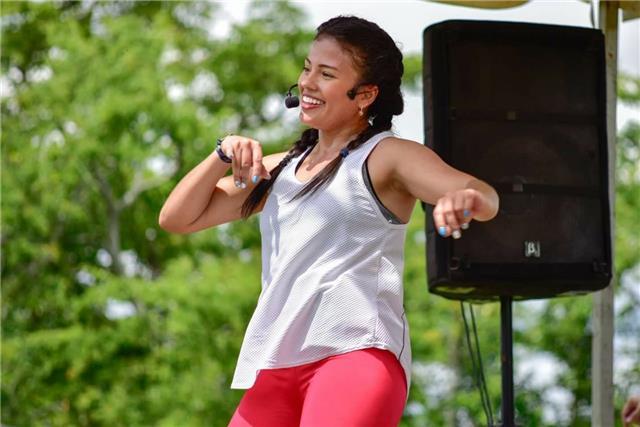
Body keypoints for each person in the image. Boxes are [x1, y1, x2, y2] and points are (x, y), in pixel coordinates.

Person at [159, 15, 499, 427]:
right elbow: (177, 218)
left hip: (355, 356)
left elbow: (484, 196)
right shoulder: (281, 169)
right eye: (306, 68)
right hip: (276, 365)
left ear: (365, 95)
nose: (307, 82)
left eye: (326, 74)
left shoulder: (385, 155)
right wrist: (221, 155)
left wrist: (463, 199)